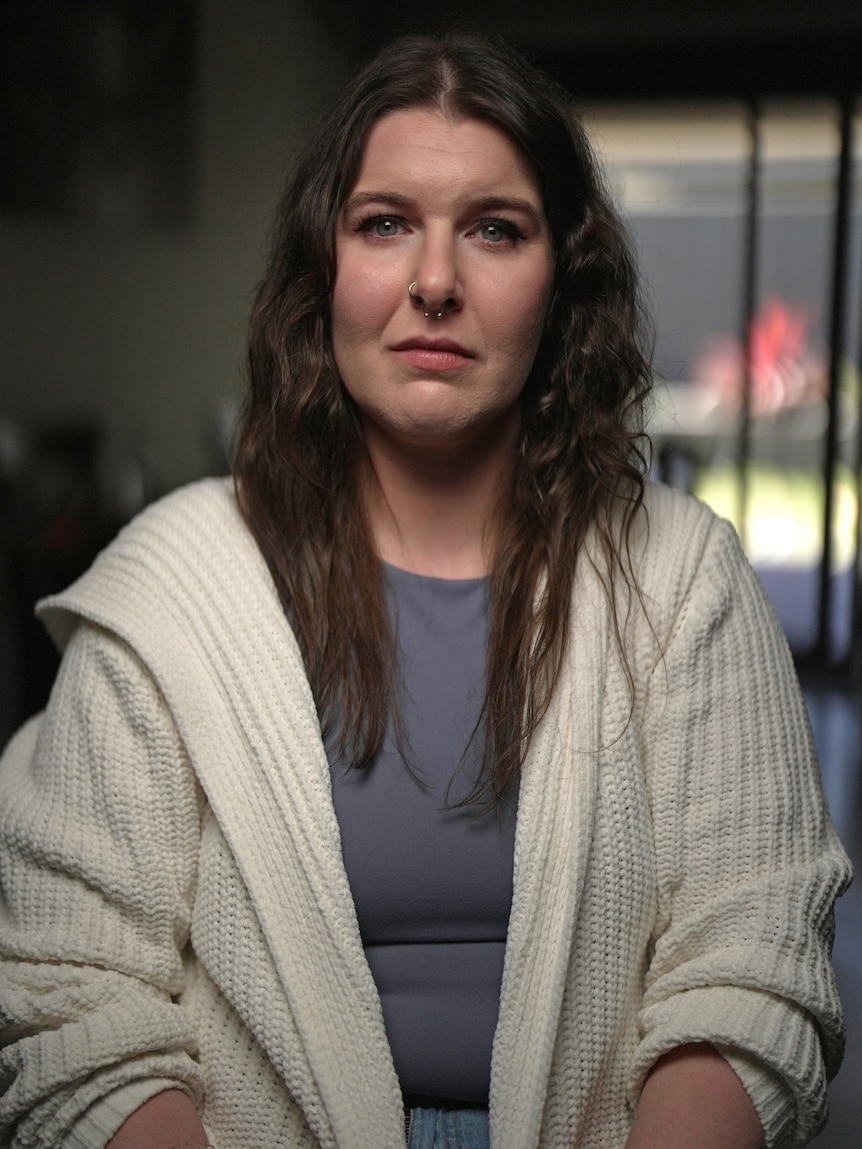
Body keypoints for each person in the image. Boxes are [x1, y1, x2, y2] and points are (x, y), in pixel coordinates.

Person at [0, 31, 851, 1149]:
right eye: (384, 223)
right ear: (324, 268)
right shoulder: (172, 590)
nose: (435, 282)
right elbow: (77, 991)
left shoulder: (681, 578)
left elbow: (751, 955)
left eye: (495, 229)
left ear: (563, 279)